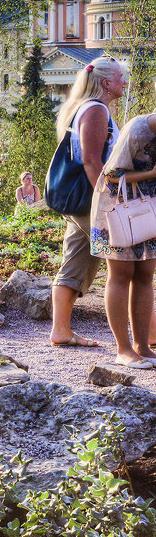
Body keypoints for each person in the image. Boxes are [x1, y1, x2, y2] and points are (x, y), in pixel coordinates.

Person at [50, 56, 126, 348]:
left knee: (77, 259)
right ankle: (152, 333)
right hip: (91, 200)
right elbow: (92, 160)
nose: (125, 82)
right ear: (106, 82)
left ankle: (61, 331)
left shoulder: (86, 107)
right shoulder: (96, 110)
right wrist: (106, 200)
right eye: (120, 77)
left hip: (79, 199)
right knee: (125, 262)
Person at [88, 110, 156, 369]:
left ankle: (143, 347)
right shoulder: (138, 129)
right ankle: (123, 349)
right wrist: (151, 175)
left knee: (146, 273)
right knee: (121, 273)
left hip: (149, 207)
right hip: (117, 205)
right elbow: (111, 176)